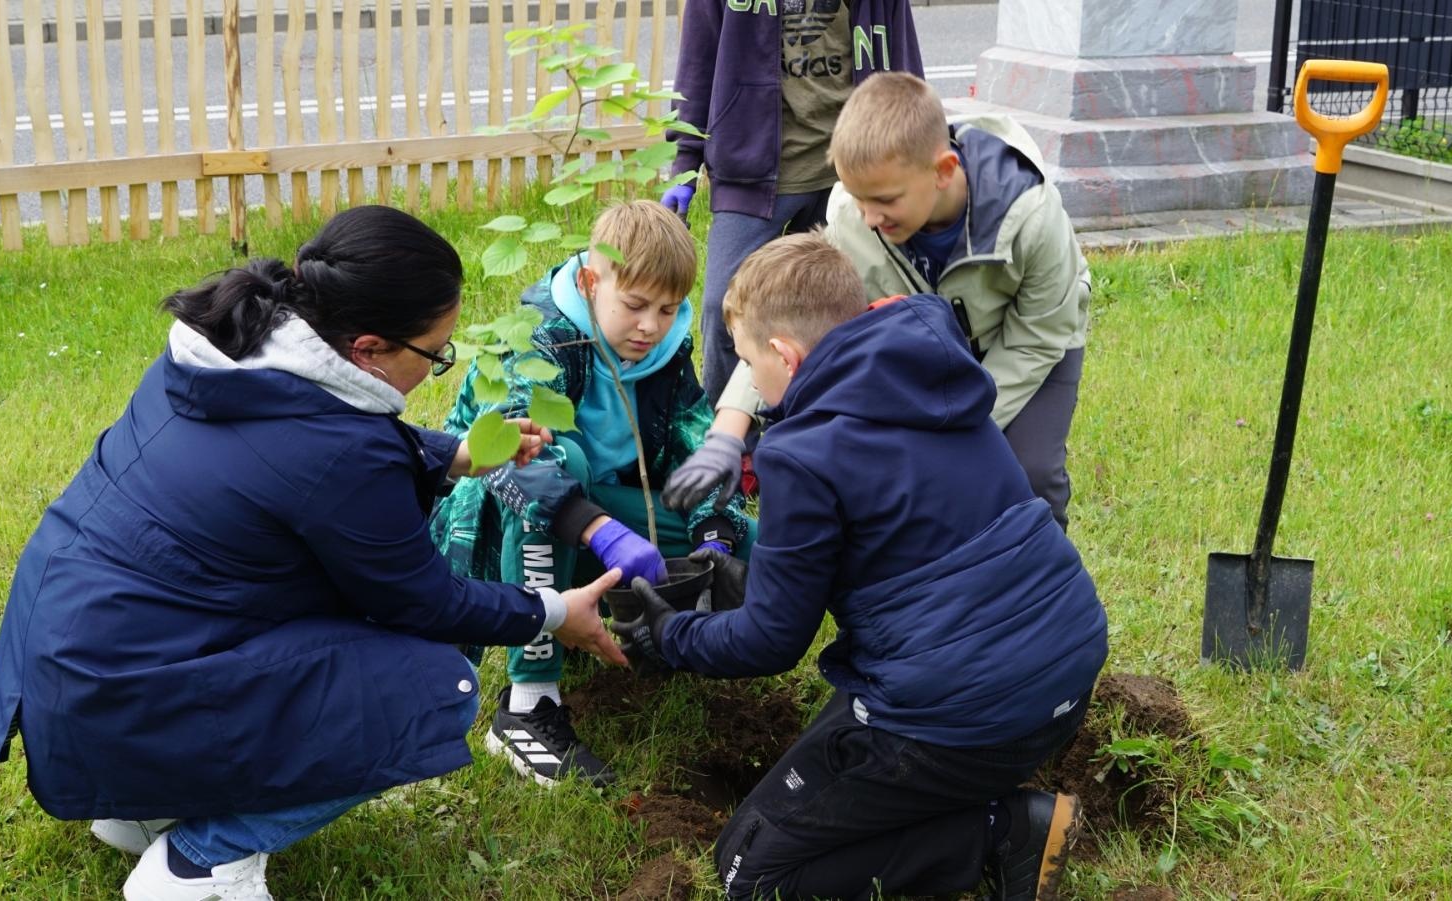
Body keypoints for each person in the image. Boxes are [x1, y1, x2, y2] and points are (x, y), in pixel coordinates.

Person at [0, 206, 628, 901]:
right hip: (117, 692)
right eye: (435, 355)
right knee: (436, 685)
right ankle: (197, 863)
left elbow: (304, 451)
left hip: (78, 664)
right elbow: (423, 600)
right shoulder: (337, 452)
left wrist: (453, 455)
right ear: (369, 346)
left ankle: (143, 807)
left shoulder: (228, 349)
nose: (436, 369)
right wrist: (554, 612)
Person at [612, 233, 1108, 900]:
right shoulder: (930, 373)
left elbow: (771, 643)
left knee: (750, 871)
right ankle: (975, 798)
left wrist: (669, 633)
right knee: (833, 756)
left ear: (785, 356)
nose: (754, 386)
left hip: (961, 713)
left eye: (752, 364)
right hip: (1064, 669)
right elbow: (897, 538)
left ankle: (1003, 828)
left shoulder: (803, 450)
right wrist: (756, 584)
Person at [667, 72, 1091, 531]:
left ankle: (1041, 567)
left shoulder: (1032, 214)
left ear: (944, 171)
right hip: (926, 344)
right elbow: (794, 318)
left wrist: (955, 424)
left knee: (1026, 470)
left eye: (884, 200)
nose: (868, 218)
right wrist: (729, 429)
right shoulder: (856, 214)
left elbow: (1040, 336)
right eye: (858, 197)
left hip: (1029, 343)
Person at [432, 200, 755, 789]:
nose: (651, 326)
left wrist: (715, 533)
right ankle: (528, 703)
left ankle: (671, 635)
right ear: (590, 281)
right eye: (633, 306)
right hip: (497, 510)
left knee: (742, 533)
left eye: (667, 308)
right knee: (563, 461)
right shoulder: (539, 338)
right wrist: (600, 529)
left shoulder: (665, 350)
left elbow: (697, 442)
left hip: (596, 511)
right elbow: (506, 458)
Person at [660, 0, 924, 404]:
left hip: (849, 173)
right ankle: (730, 443)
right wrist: (686, 160)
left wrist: (908, 154)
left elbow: (903, 64)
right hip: (750, 164)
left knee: (845, 313)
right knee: (720, 310)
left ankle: (820, 428)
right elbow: (699, 59)